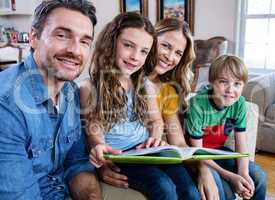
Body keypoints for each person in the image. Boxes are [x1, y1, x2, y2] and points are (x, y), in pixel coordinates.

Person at [97, 17, 225, 200]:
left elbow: (178, 141)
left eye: (178, 53)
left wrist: (203, 168)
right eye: (165, 46)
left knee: (207, 184)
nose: (170, 57)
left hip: (156, 151)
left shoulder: (168, 89)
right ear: (151, 40)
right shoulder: (125, 75)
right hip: (128, 154)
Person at [80, 12, 200, 200]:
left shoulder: (145, 85)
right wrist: (99, 148)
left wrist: (155, 139)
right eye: (128, 46)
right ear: (112, 43)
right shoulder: (90, 87)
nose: (135, 57)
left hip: (148, 151)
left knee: (190, 190)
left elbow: (156, 121)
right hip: (122, 157)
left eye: (144, 51)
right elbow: (94, 130)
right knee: (164, 187)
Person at [0, 1, 103, 199]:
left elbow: (77, 162)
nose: (75, 50)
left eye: (84, 41)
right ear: (34, 38)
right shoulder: (7, 105)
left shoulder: (71, 92)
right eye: (62, 35)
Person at [185, 55, 267, 199]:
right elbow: (197, 151)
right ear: (211, 82)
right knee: (227, 191)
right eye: (223, 82)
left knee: (258, 177)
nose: (230, 89)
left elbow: (241, 143)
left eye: (237, 84)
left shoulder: (239, 104)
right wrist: (229, 176)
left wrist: (243, 173)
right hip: (196, 157)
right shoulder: (197, 104)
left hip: (219, 152)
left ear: (243, 86)